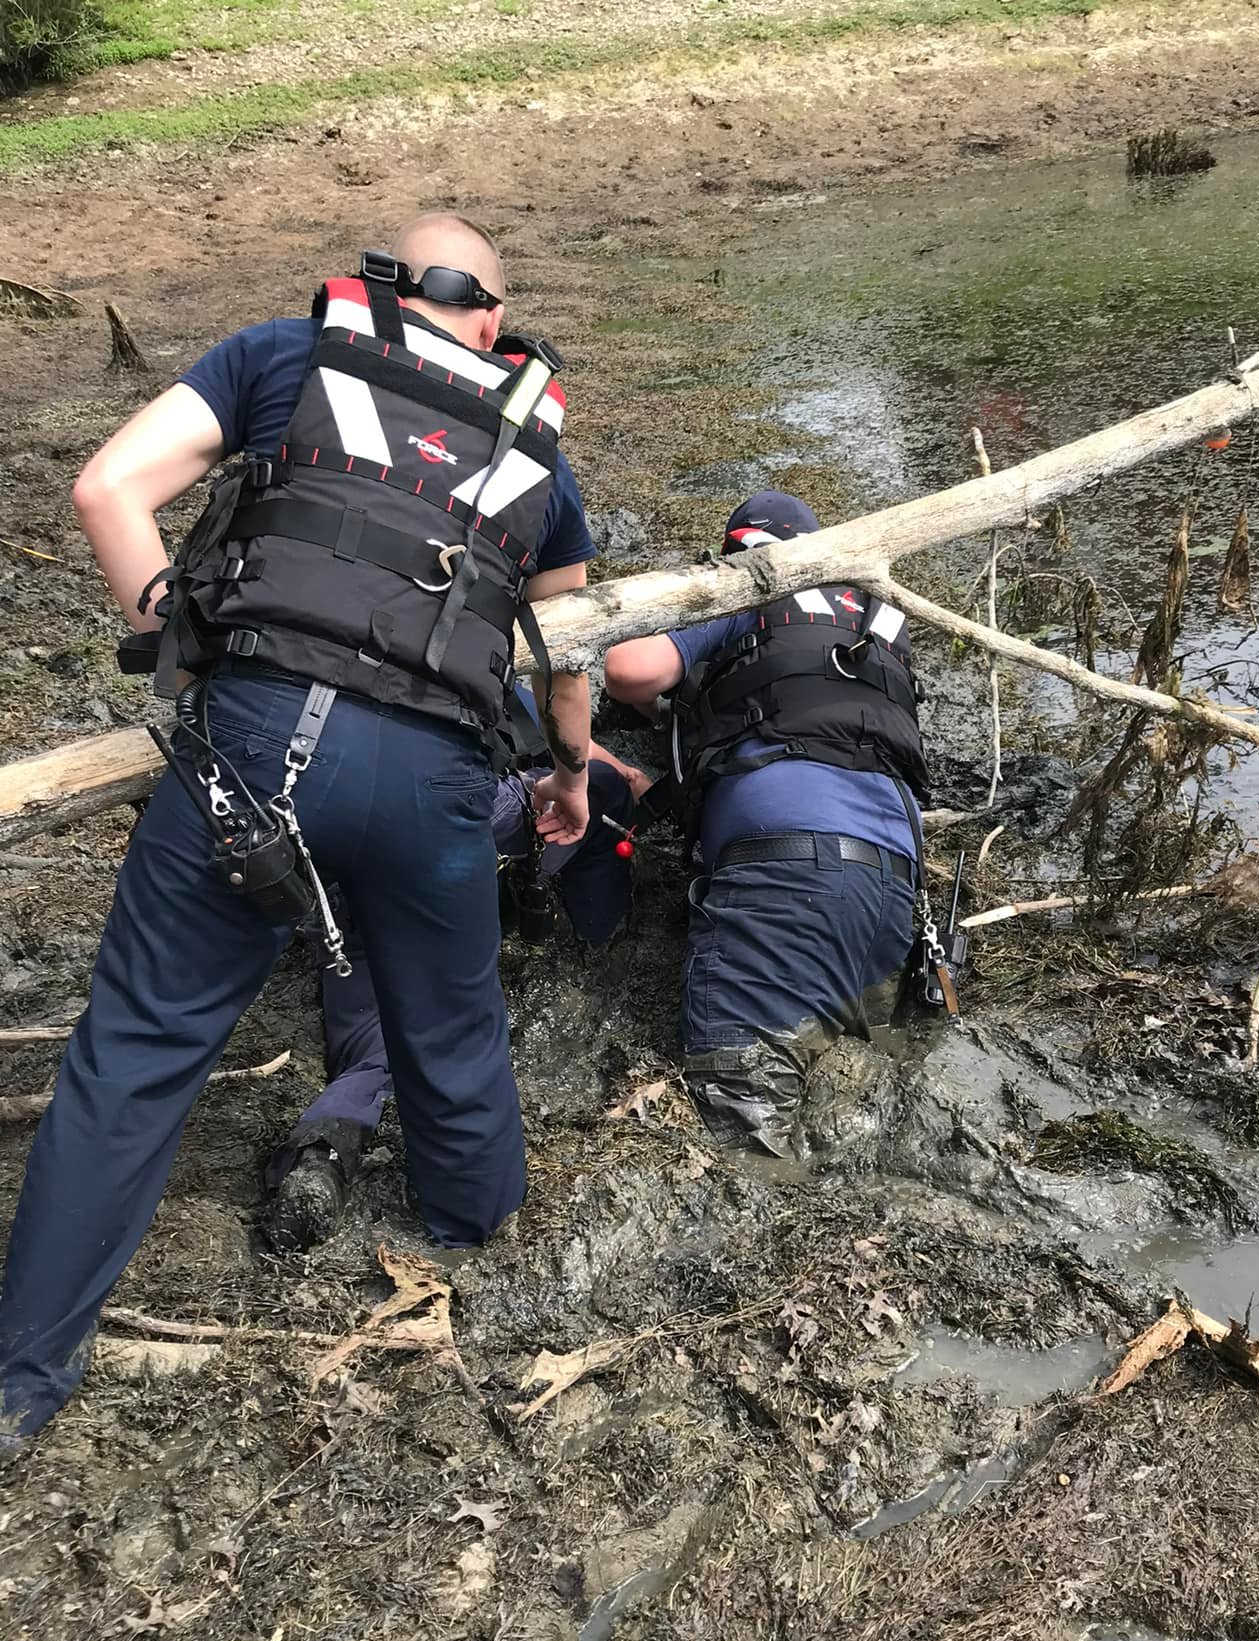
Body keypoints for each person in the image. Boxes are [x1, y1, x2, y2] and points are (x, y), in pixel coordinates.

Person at [0, 213, 594, 1452]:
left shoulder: (282, 354)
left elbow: (106, 485)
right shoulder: (537, 444)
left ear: (385, 288)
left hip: (251, 742)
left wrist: (175, 621)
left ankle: (21, 1384)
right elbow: (573, 649)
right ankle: (468, 1227)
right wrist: (573, 772)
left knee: (138, 1047)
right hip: (433, 774)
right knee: (452, 1020)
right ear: (491, 320)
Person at [603, 491, 928, 1153]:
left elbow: (628, 669)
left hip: (787, 882)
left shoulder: (751, 583)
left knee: (745, 1141)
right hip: (895, 895)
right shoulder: (881, 621)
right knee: (862, 1127)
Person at [267, 710, 646, 1249]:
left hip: (321, 853)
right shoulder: (465, 647)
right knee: (599, 790)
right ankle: (595, 931)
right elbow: (566, 736)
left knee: (374, 1042)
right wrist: (618, 774)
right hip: (449, 828)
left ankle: (324, 1148)